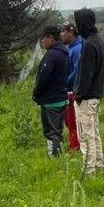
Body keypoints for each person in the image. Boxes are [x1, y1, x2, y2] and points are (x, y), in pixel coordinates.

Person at [73, 8, 104, 176]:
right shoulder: (98, 40)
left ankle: (89, 172)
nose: (76, 27)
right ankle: (98, 166)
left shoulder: (88, 44)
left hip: (86, 97)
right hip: (96, 94)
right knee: (94, 133)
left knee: (86, 136)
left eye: (77, 22)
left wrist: (78, 95)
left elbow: (86, 74)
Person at [32, 26, 71, 158]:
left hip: (50, 101)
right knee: (58, 130)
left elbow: (44, 77)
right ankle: (56, 155)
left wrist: (36, 94)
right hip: (61, 98)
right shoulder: (65, 52)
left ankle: (54, 158)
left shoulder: (52, 54)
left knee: (52, 132)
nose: (43, 41)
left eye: (44, 38)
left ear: (51, 38)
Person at [60, 21, 82, 153]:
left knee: (73, 121)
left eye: (64, 31)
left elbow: (76, 71)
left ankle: (74, 148)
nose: (61, 34)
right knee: (69, 121)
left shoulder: (78, 48)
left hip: (72, 90)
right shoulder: (70, 47)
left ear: (71, 32)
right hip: (67, 89)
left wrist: (63, 83)